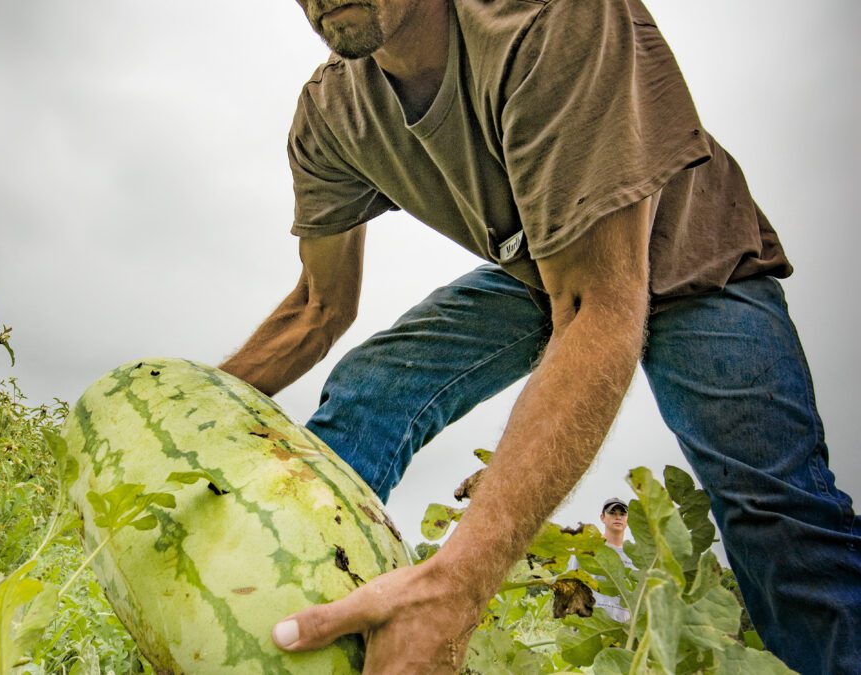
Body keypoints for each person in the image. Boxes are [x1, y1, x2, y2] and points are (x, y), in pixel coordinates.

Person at [217, 0, 861, 672]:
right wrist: (174, 417)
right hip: (547, 267)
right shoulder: (331, 116)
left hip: (698, 257)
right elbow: (316, 307)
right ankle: (284, 609)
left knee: (782, 524)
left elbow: (596, 308)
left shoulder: (547, 16)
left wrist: (451, 585)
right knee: (373, 386)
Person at [566, 498, 636, 624]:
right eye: (612, 513)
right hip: (592, 625)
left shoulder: (634, 556)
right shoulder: (586, 550)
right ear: (602, 517)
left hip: (623, 630)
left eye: (622, 514)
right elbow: (570, 585)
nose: (618, 517)